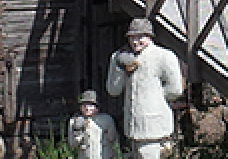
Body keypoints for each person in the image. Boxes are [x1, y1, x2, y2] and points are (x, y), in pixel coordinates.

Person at [106, 18, 183, 159]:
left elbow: (175, 89)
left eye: (140, 37)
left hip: (154, 125)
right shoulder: (120, 57)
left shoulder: (164, 56)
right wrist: (119, 67)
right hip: (132, 125)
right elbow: (113, 90)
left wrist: (155, 99)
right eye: (132, 38)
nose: (135, 42)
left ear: (149, 37)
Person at [66, 90, 120, 159]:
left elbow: (114, 140)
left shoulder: (107, 119)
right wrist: (78, 131)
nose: (87, 108)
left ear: (97, 107)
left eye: (91, 105)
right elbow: (72, 144)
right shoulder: (74, 121)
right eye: (84, 105)